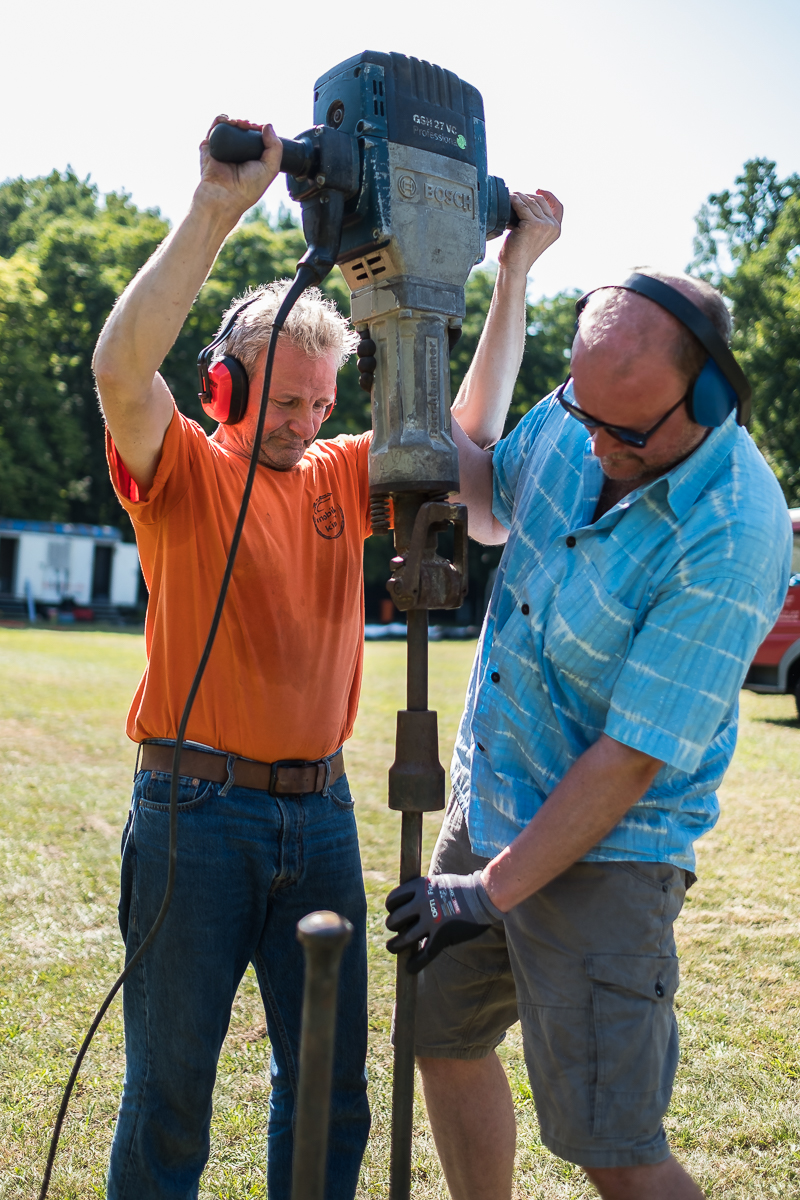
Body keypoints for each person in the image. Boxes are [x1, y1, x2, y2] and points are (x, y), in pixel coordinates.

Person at [92, 113, 562, 1200]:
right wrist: (218, 206)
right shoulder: (181, 471)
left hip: (323, 816)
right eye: (280, 401)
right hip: (192, 816)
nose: (301, 422)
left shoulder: (336, 474)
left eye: (317, 402)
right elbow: (122, 368)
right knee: (170, 1096)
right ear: (223, 390)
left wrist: (510, 275)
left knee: (331, 1090)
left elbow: (459, 426)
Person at [386, 267, 792, 1199]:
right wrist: (438, 354)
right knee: (439, 1035)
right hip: (490, 798)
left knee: (612, 1142)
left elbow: (633, 754)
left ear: (712, 394)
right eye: (586, 412)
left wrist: (486, 891)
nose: (598, 445)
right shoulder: (583, 422)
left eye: (630, 431)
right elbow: (487, 499)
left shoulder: (734, 531)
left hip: (609, 850)